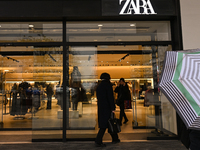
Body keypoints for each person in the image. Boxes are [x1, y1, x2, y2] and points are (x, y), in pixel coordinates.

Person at [95, 73, 120, 147]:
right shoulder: (108, 86)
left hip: (101, 107)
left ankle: (115, 138)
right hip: (107, 107)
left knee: (106, 123)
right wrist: (113, 108)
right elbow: (110, 98)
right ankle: (98, 140)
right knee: (108, 123)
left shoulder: (99, 86)